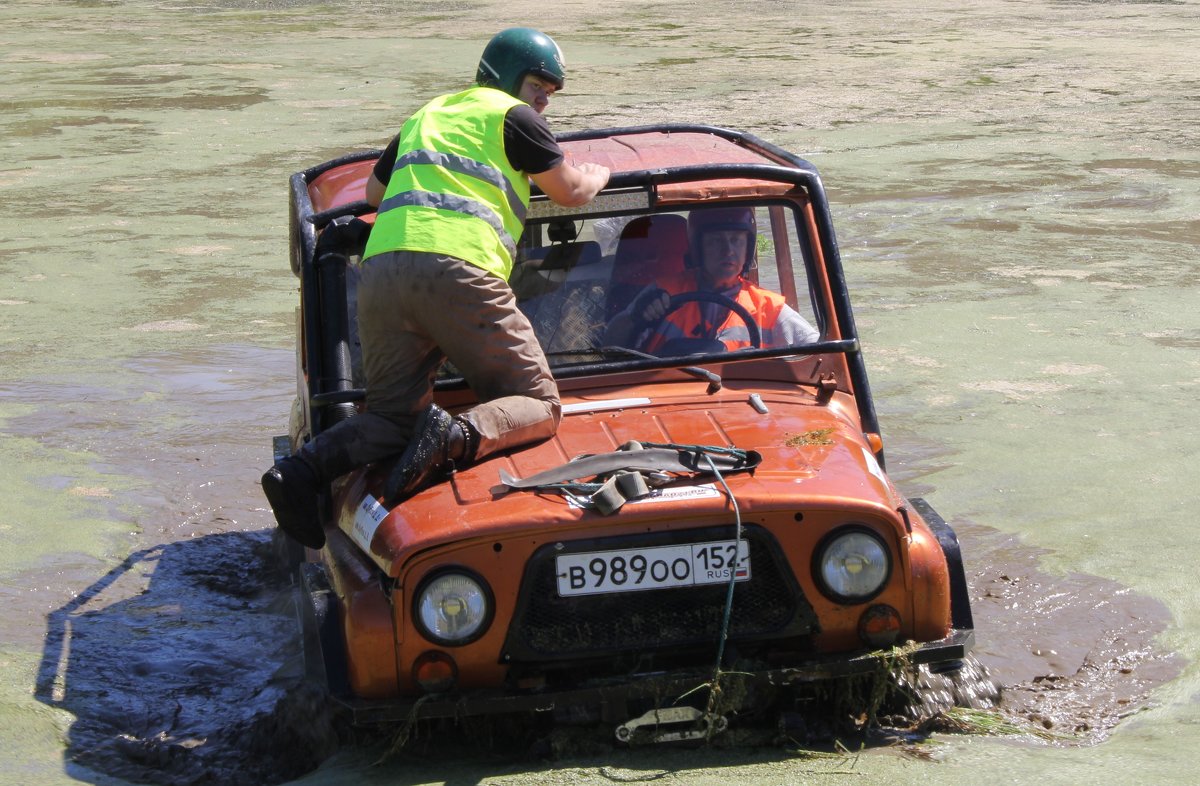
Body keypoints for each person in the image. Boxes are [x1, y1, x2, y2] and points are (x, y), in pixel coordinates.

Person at [263, 28, 610, 550]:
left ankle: (302, 470)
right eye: (539, 84)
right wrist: (598, 173)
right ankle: (452, 435)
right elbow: (571, 193)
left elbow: (376, 191)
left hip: (380, 270)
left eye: (551, 92)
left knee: (390, 418)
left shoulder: (428, 114)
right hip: (457, 267)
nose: (544, 99)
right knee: (539, 403)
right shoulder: (515, 118)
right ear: (508, 75)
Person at [603, 207, 819, 354]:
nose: (728, 251)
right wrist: (635, 318)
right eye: (716, 241)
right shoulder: (663, 292)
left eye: (736, 241)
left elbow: (819, 353)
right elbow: (611, 345)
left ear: (748, 248)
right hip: (667, 396)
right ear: (697, 248)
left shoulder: (768, 307)